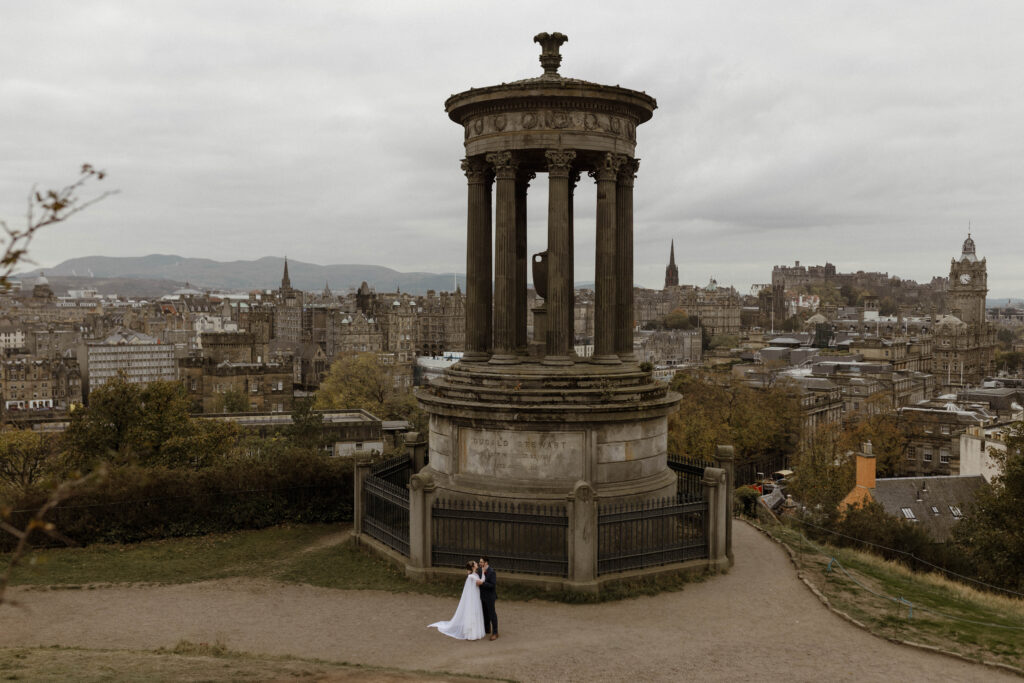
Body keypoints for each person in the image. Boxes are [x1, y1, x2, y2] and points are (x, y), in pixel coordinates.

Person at [428, 561, 486, 640]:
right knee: (472, 612)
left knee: (475, 612)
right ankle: (470, 633)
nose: (477, 564)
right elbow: (481, 581)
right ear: (473, 567)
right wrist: (483, 572)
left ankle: (474, 631)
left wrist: (482, 573)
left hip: (475, 597)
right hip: (473, 599)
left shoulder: (474, 575)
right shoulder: (471, 577)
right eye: (475, 564)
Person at [478, 556, 498, 640]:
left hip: (490, 597)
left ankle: (495, 632)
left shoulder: (491, 572)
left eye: (481, 562)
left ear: (486, 563)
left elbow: (492, 585)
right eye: (480, 562)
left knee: (492, 614)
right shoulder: (479, 570)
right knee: (484, 613)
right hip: (482, 596)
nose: (480, 563)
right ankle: (487, 629)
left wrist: (482, 583)